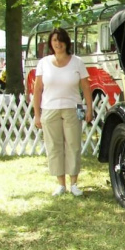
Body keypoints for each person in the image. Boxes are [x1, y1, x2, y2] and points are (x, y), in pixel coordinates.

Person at [33, 27, 93, 197]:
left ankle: (74, 183)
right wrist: (37, 114)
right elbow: (37, 90)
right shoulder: (43, 63)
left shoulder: (77, 62)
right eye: (54, 40)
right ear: (50, 44)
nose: (57, 43)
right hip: (49, 109)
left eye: (60, 40)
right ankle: (61, 184)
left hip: (74, 108)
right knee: (54, 146)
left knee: (73, 145)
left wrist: (89, 108)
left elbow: (86, 87)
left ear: (67, 42)